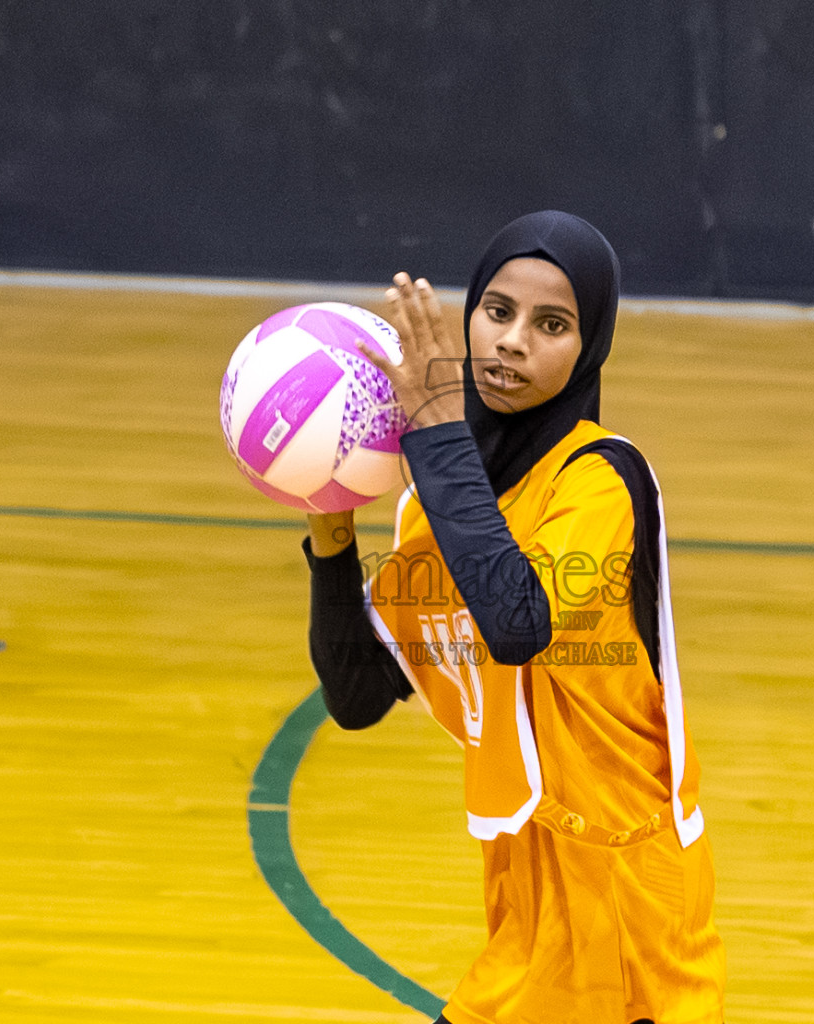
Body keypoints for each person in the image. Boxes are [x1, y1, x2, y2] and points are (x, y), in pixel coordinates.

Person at [302, 210, 725, 1024]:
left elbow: (517, 619)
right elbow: (356, 697)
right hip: (524, 884)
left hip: (622, 885)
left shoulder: (603, 482)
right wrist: (329, 525)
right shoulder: (441, 502)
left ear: (591, 345)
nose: (512, 341)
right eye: (497, 312)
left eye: (552, 324)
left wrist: (435, 434)